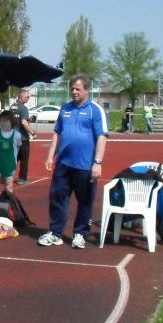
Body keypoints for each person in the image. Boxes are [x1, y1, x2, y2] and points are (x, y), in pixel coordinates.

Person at [39, 74, 108, 249]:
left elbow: (101, 137)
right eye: (72, 89)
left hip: (85, 166)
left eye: (78, 89)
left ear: (86, 90)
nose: (74, 92)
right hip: (63, 164)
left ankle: (80, 233)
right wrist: (50, 156)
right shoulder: (65, 109)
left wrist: (97, 162)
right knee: (57, 198)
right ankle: (55, 233)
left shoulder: (95, 110)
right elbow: (57, 133)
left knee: (85, 201)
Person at [10, 88, 36, 184]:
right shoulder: (23, 108)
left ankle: (7, 176)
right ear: (22, 96)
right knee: (24, 159)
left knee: (13, 158)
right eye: (27, 97)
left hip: (12, 137)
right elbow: (24, 122)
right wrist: (32, 132)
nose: (28, 99)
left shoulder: (12, 107)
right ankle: (22, 179)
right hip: (22, 138)